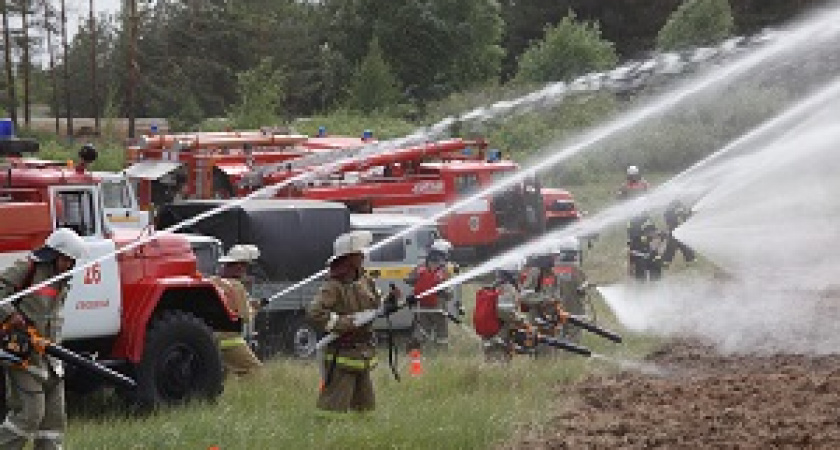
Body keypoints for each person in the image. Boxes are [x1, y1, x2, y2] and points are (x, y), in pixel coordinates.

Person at [0, 228, 86, 450]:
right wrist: (12, 315)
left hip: (51, 361)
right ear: (53, 254)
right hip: (24, 356)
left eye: (71, 261)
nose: (68, 265)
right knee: (29, 416)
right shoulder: (26, 268)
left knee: (53, 425)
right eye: (65, 259)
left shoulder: (63, 280)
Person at [307, 231, 396, 414]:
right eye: (358, 253)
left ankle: (362, 438)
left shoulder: (365, 281)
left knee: (366, 409)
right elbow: (315, 312)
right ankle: (326, 436)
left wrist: (390, 301)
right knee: (332, 409)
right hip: (342, 355)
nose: (363, 256)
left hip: (362, 355)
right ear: (348, 258)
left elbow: (376, 304)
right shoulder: (333, 286)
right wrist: (344, 323)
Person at [211, 245, 263, 376]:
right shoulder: (237, 287)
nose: (245, 271)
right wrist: (255, 308)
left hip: (210, 339)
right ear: (239, 266)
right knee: (256, 372)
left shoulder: (212, 282)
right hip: (230, 340)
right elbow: (245, 317)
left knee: (223, 378)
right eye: (245, 267)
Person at [405, 239, 454, 350]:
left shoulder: (421, 267)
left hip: (422, 307)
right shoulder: (444, 269)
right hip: (438, 308)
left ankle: (414, 350)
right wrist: (446, 294)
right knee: (442, 333)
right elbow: (448, 292)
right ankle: (441, 353)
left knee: (422, 330)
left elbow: (408, 280)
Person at [481, 261, 527, 363]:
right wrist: (520, 320)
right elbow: (505, 311)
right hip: (500, 335)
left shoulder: (496, 286)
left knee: (493, 360)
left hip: (493, 334)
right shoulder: (507, 288)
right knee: (498, 363)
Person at [626, 212, 664, 282]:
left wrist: (657, 250)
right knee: (641, 280)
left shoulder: (647, 219)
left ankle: (657, 289)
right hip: (638, 256)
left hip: (651, 254)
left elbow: (656, 236)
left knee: (656, 274)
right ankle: (642, 290)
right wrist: (630, 265)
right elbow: (630, 245)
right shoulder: (632, 223)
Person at [662, 199, 696, 265]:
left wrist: (689, 212)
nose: (680, 207)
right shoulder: (668, 212)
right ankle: (665, 261)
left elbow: (685, 217)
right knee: (672, 246)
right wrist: (678, 213)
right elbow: (671, 219)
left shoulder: (679, 210)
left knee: (683, 244)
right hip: (674, 231)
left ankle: (690, 258)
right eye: (678, 205)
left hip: (680, 230)